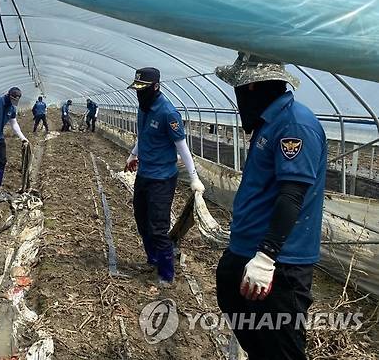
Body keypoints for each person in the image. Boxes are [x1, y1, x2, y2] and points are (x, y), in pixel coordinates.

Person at [214, 52, 326, 360]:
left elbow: (292, 194)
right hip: (244, 248)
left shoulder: (295, 125)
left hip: (279, 262)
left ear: (251, 87)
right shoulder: (269, 121)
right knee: (247, 325)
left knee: (281, 349)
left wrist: (266, 258)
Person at [123, 67, 205, 285]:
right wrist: (133, 155)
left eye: (143, 89)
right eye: (137, 89)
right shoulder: (144, 108)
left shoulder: (168, 112)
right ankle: (153, 259)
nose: (139, 94)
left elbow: (182, 147)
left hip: (162, 177)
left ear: (156, 87)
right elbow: (145, 136)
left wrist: (194, 177)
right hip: (144, 174)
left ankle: (166, 275)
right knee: (141, 220)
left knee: (158, 226)